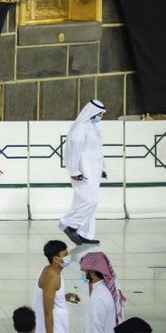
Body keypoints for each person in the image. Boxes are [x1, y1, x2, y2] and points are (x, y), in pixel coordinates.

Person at [59, 99, 107, 246]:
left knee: (86, 202)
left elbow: (98, 151)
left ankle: (84, 233)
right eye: (99, 113)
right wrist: (73, 170)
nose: (101, 116)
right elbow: (73, 151)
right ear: (92, 112)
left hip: (94, 172)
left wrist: (103, 169)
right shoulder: (80, 127)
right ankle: (69, 224)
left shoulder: (93, 127)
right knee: (90, 201)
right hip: (82, 171)